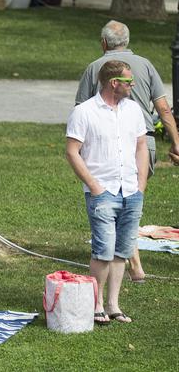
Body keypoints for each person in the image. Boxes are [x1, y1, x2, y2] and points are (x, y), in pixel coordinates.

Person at [75, 20, 179, 283]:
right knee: (127, 205)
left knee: (120, 206)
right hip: (146, 144)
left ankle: (130, 263)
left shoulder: (93, 68)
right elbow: (164, 109)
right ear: (127, 42)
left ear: (103, 43)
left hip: (113, 148)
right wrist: (176, 143)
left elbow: (80, 110)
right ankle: (133, 265)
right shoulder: (146, 65)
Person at [66, 60, 148, 324]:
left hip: (131, 191)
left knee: (121, 251)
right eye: (128, 81)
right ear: (115, 83)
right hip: (102, 192)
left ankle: (114, 305)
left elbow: (141, 147)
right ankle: (96, 303)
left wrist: (141, 185)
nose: (132, 84)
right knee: (103, 249)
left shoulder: (133, 110)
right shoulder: (85, 112)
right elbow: (72, 151)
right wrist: (94, 186)